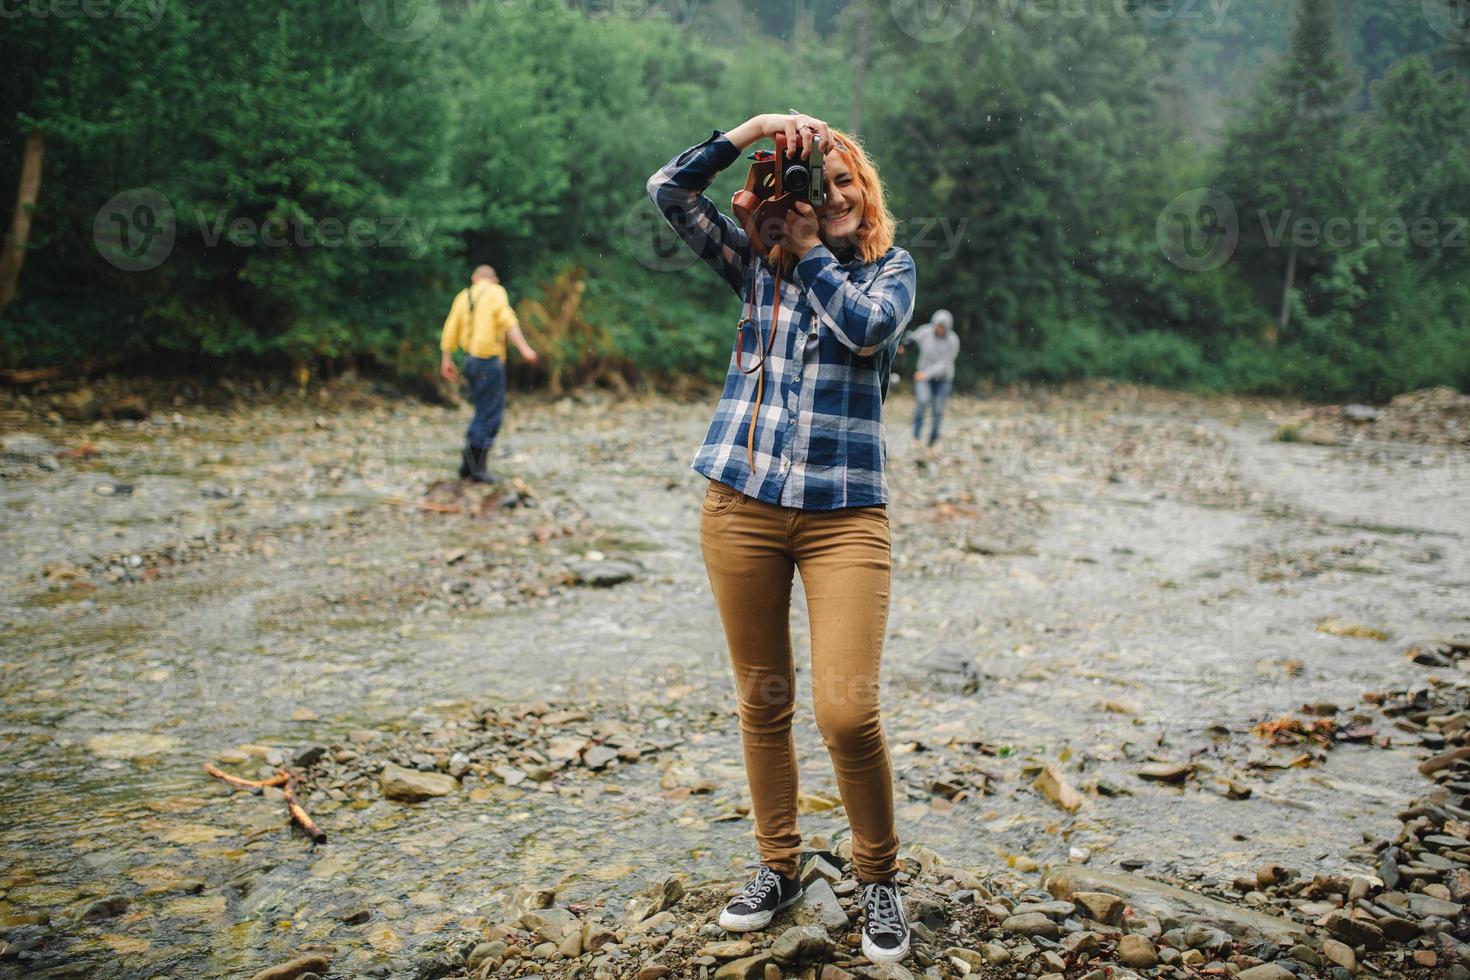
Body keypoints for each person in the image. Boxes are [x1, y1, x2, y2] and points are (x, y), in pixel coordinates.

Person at [647, 110, 916, 965]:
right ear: (788, 191)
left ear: (862, 194)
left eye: (844, 183)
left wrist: (807, 255)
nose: (828, 194)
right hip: (741, 507)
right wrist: (755, 129)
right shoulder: (755, 264)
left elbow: (867, 329)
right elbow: (669, 190)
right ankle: (780, 865)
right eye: (815, 181)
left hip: (846, 520)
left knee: (846, 712)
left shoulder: (889, 271)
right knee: (763, 701)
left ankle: (877, 878)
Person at [438, 265, 538, 483]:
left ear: (474, 278)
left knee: (481, 412)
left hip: (469, 361)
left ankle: (467, 467)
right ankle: (477, 470)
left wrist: (446, 359)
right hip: (488, 361)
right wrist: (524, 349)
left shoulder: (464, 296)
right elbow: (507, 321)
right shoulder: (496, 292)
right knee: (491, 415)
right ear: (495, 279)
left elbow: (450, 328)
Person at [898, 310, 960, 447]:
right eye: (937, 325)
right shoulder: (926, 332)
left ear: (947, 327)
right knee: (922, 401)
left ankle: (933, 439)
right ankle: (916, 436)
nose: (938, 329)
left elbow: (945, 364)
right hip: (923, 377)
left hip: (943, 379)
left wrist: (926, 374)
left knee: (938, 408)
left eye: (941, 327)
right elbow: (913, 338)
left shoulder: (953, 340)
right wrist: (904, 344)